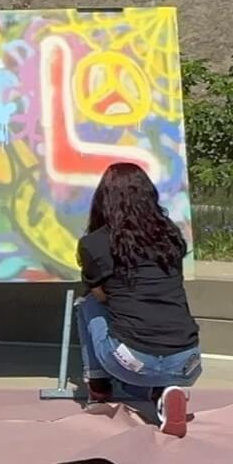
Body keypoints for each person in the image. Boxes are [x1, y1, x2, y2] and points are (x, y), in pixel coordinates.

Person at [76, 163, 201, 437]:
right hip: (187, 359)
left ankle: (99, 389)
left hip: (131, 360)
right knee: (152, 354)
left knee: (87, 305)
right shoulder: (171, 236)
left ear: (103, 198)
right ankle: (164, 391)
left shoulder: (94, 243)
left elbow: (102, 296)